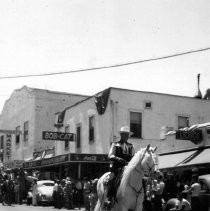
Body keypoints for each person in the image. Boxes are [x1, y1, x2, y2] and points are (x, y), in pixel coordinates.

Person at [104, 126, 135, 207]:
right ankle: (109, 198)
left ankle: (142, 197)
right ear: (121, 135)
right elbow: (110, 155)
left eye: (128, 135)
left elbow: (133, 157)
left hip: (128, 168)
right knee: (112, 179)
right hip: (117, 168)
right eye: (125, 135)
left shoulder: (131, 146)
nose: (127, 136)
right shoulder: (115, 144)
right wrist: (118, 159)